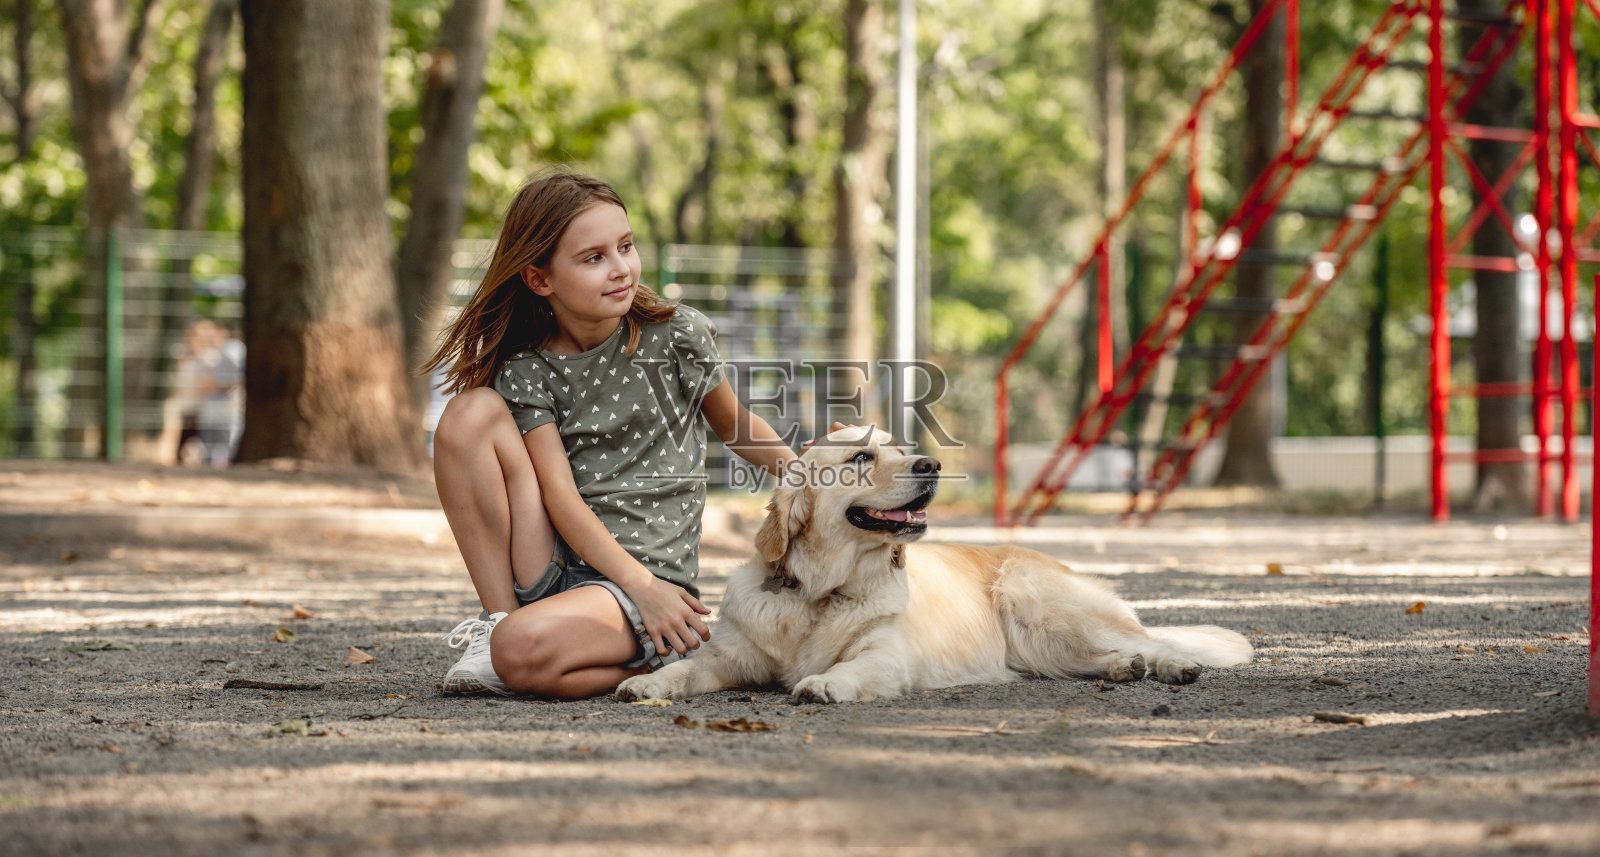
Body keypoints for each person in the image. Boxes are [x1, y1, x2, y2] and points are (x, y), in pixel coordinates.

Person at [421, 169, 797, 698]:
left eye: (625, 246)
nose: (621, 269)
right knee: (468, 413)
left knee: (520, 655)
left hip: (645, 578)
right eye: (594, 258)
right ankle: (497, 620)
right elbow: (558, 495)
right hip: (553, 558)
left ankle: (667, 663)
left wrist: (808, 471)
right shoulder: (529, 367)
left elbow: (736, 426)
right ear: (539, 279)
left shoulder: (677, 334)